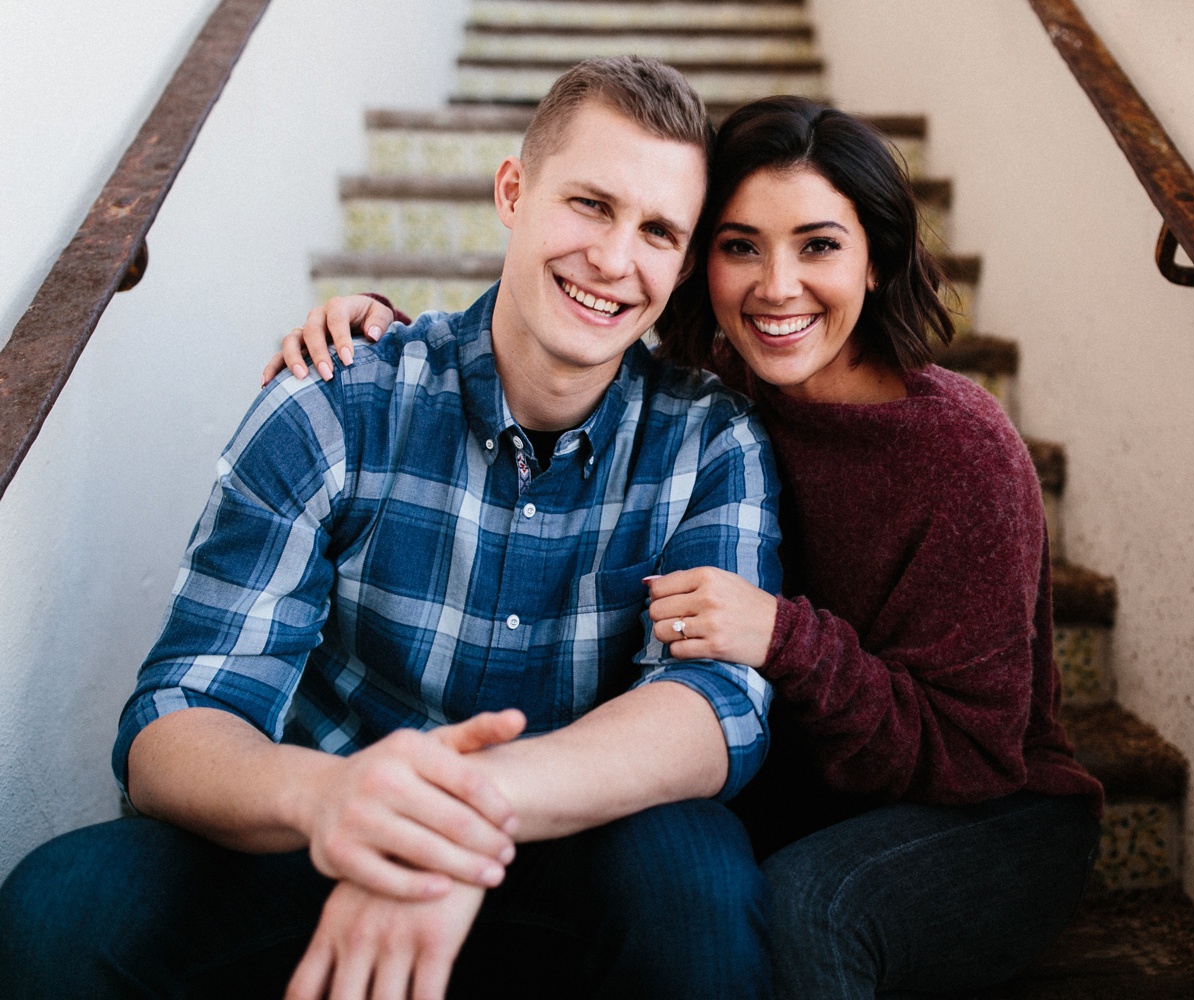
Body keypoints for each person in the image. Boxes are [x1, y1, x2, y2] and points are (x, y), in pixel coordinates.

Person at [272, 96, 1105, 998]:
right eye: (741, 245)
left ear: (876, 262)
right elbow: (547, 343)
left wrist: (788, 640)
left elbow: (974, 752)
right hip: (794, 792)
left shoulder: (960, 452)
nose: (776, 286)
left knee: (801, 908)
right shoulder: (713, 396)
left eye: (819, 245)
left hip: (979, 815)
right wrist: (380, 335)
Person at [0, 57, 784, 1000]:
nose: (616, 260)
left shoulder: (709, 441)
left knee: (695, 868)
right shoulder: (334, 403)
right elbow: (178, 717)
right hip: (330, 833)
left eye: (658, 230)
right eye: (589, 205)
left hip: (575, 847)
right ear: (513, 191)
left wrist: (464, 812)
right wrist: (337, 801)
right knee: (58, 906)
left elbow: (712, 709)